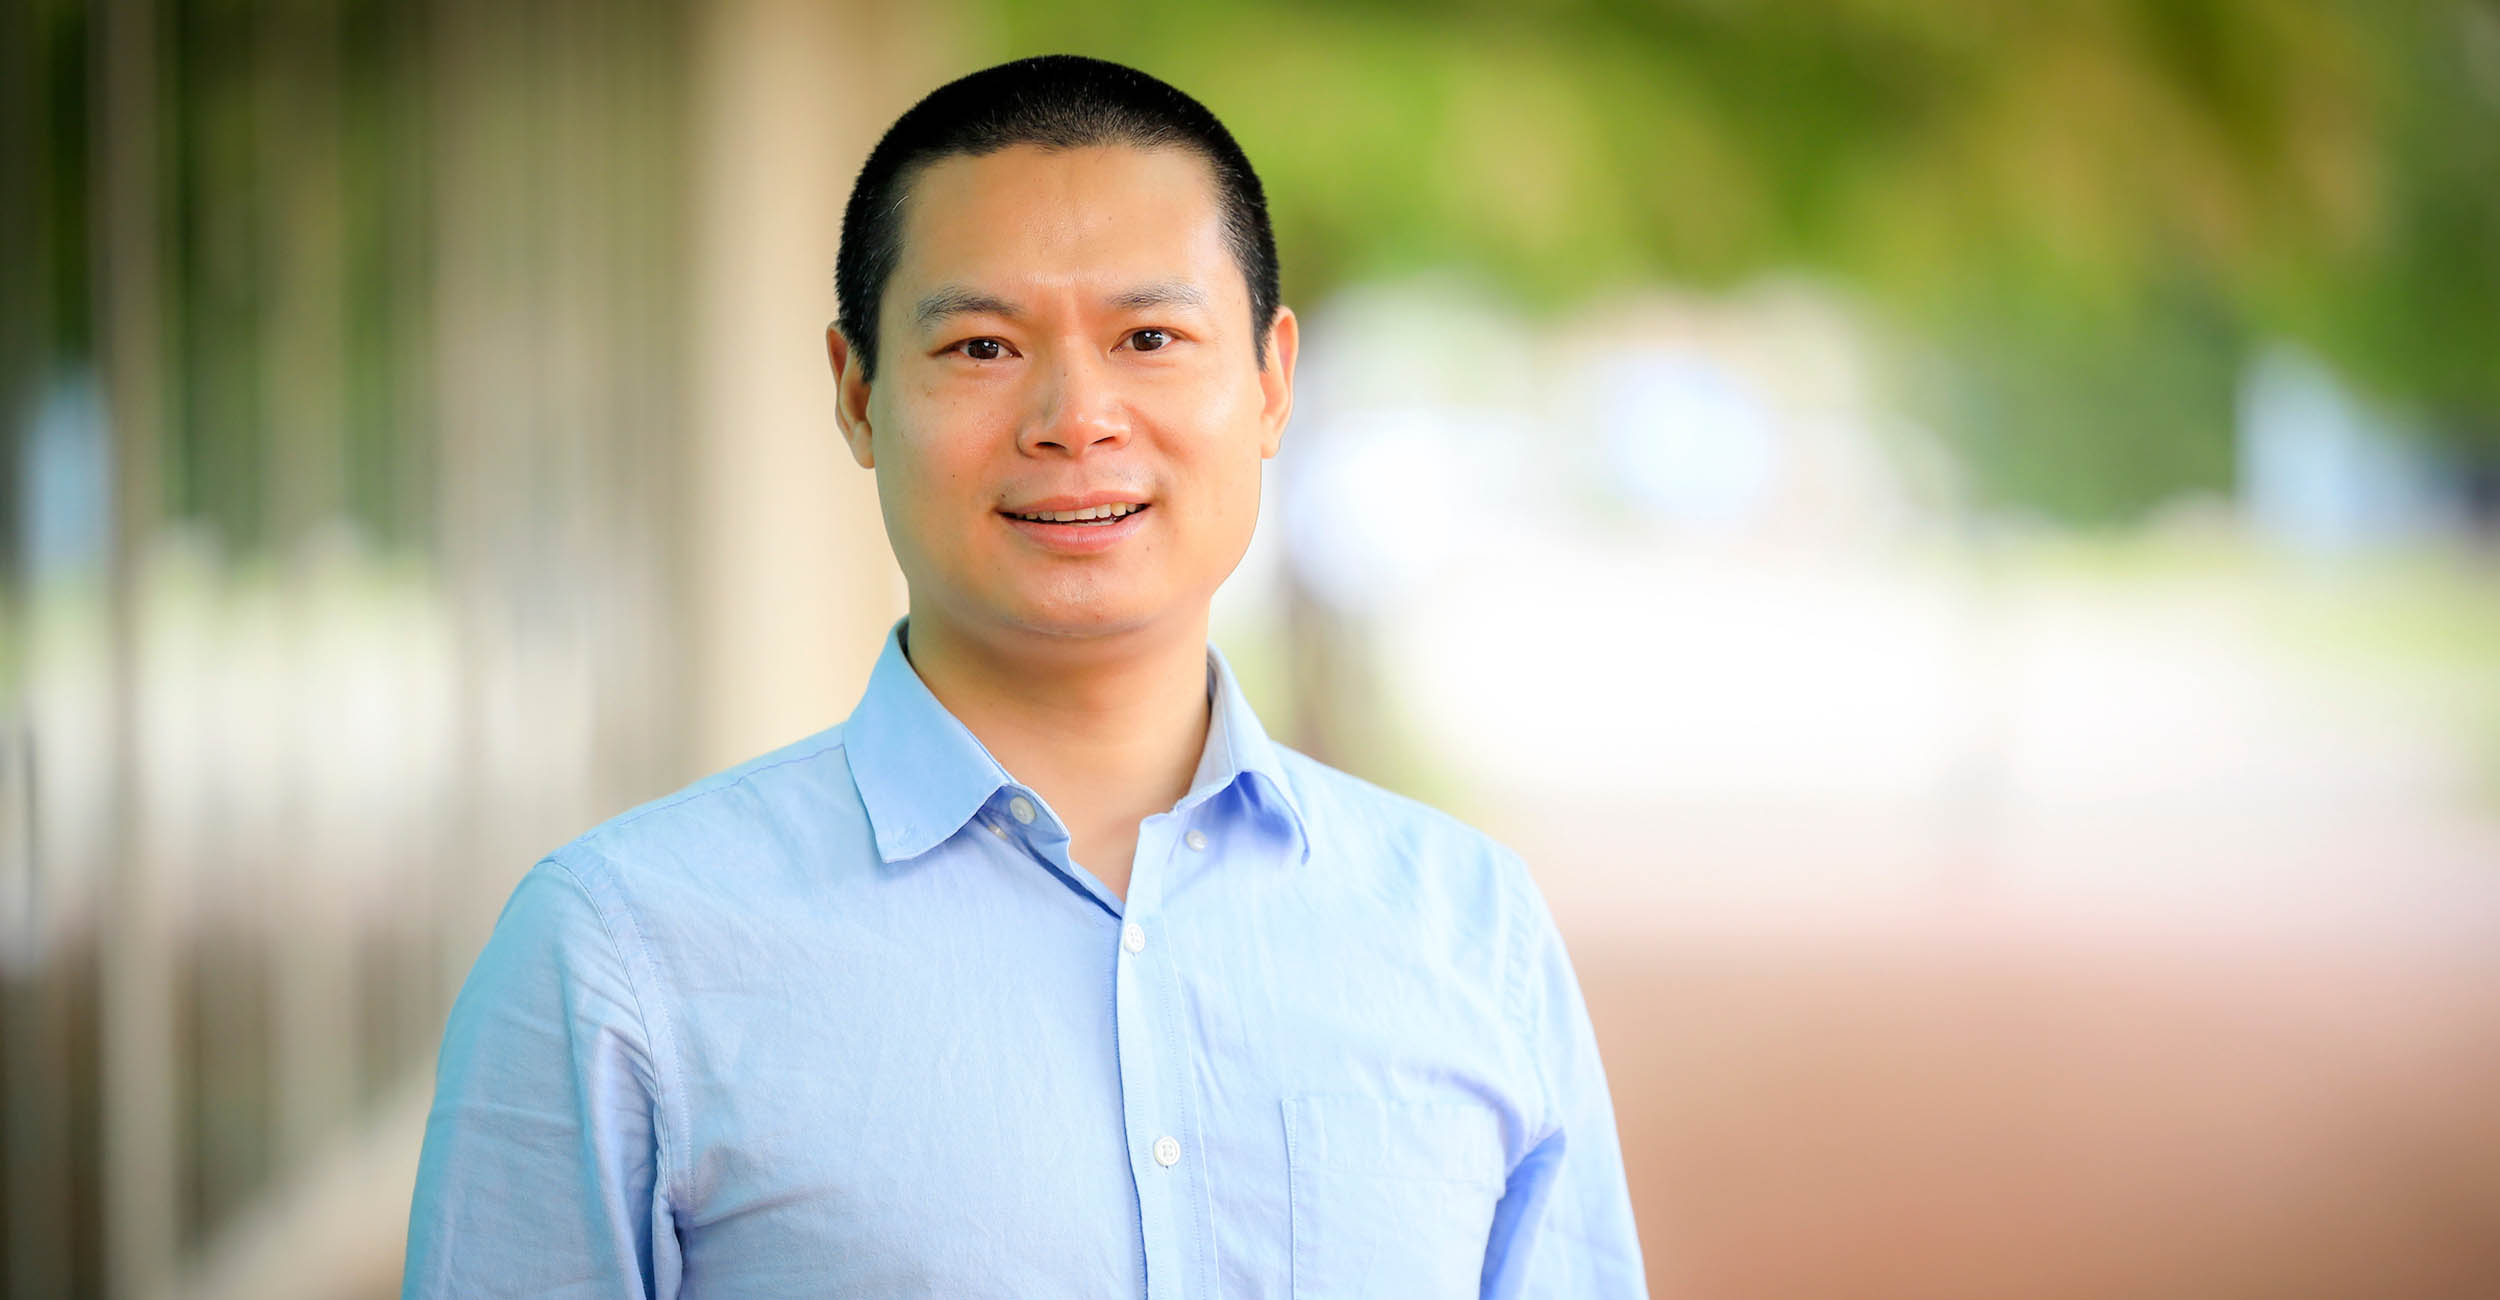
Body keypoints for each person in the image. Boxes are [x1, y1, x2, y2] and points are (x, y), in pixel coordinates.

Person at [403, 53, 1646, 1298]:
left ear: (1270, 380)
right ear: (856, 391)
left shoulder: (1471, 932)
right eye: (985, 345)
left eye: (1149, 336)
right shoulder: (619, 954)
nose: (1074, 416)